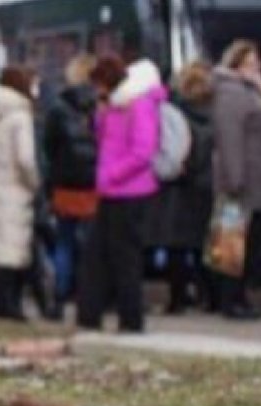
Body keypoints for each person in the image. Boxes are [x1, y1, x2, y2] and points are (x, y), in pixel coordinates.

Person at [79, 53, 166, 333]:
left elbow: (143, 151)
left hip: (130, 192)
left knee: (124, 257)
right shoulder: (114, 106)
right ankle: (91, 314)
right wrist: (99, 116)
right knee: (98, 255)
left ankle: (130, 318)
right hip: (111, 191)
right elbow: (103, 139)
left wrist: (111, 175)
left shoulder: (139, 105)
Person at [213, 40, 261, 321]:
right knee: (234, 244)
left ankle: (239, 297)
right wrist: (234, 179)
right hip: (242, 182)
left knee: (250, 241)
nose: (254, 68)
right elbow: (230, 138)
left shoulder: (252, 92)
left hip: (259, 180)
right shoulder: (231, 94)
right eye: (248, 63)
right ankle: (231, 301)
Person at [0, 67, 42, 321]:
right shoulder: (20, 116)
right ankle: (9, 305)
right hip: (13, 188)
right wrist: (34, 183)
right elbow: (25, 158)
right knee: (11, 247)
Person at [155, 62, 217, 315]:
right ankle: (209, 295)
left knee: (176, 246)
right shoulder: (215, 114)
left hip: (178, 187)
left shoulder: (174, 112)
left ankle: (177, 298)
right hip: (206, 184)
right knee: (205, 244)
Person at [42, 54, 99, 317]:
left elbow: (48, 147)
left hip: (65, 184)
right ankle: (89, 295)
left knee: (63, 242)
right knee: (90, 244)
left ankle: (59, 295)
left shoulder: (57, 109)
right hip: (94, 183)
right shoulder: (101, 106)